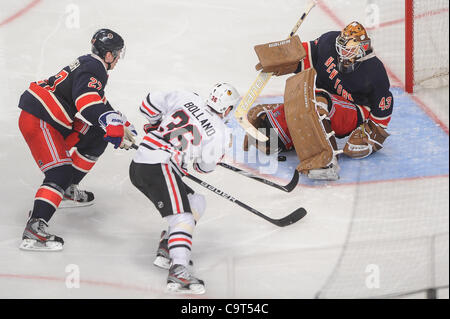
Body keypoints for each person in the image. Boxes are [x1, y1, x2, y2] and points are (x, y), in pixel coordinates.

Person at [18, 28, 136, 251]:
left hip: (52, 116)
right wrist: (108, 120)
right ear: (108, 55)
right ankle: (35, 228)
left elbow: (96, 99)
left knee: (97, 136)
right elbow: (86, 102)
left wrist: (119, 121)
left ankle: (67, 189)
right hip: (41, 119)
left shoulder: (89, 63)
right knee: (58, 173)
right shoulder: (95, 68)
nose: (118, 58)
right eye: (117, 54)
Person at [245, 21, 393, 180]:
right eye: (341, 47)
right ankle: (279, 126)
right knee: (274, 131)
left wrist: (371, 136)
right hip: (322, 100)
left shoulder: (374, 71)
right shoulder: (329, 42)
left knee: (317, 100)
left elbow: (382, 110)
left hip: (354, 112)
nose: (343, 53)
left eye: (349, 50)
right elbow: (307, 54)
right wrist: (284, 57)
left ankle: (327, 161)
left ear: (362, 48)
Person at [129, 83, 239, 294]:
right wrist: (190, 157)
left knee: (196, 201)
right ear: (227, 109)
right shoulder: (221, 132)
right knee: (183, 218)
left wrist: (155, 125)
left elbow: (148, 105)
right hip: (160, 165)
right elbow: (203, 167)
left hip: (142, 163)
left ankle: (168, 244)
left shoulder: (187, 96)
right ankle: (178, 269)